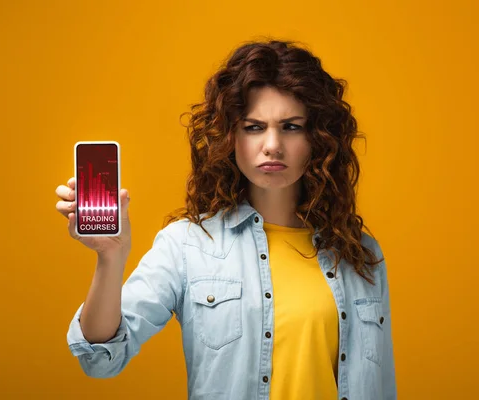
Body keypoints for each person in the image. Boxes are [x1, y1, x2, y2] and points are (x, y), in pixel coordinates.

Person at [55, 39, 396, 400]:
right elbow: (100, 358)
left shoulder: (359, 253)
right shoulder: (187, 245)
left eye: (292, 127)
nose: (272, 145)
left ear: (318, 139)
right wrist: (110, 258)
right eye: (253, 127)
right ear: (230, 136)